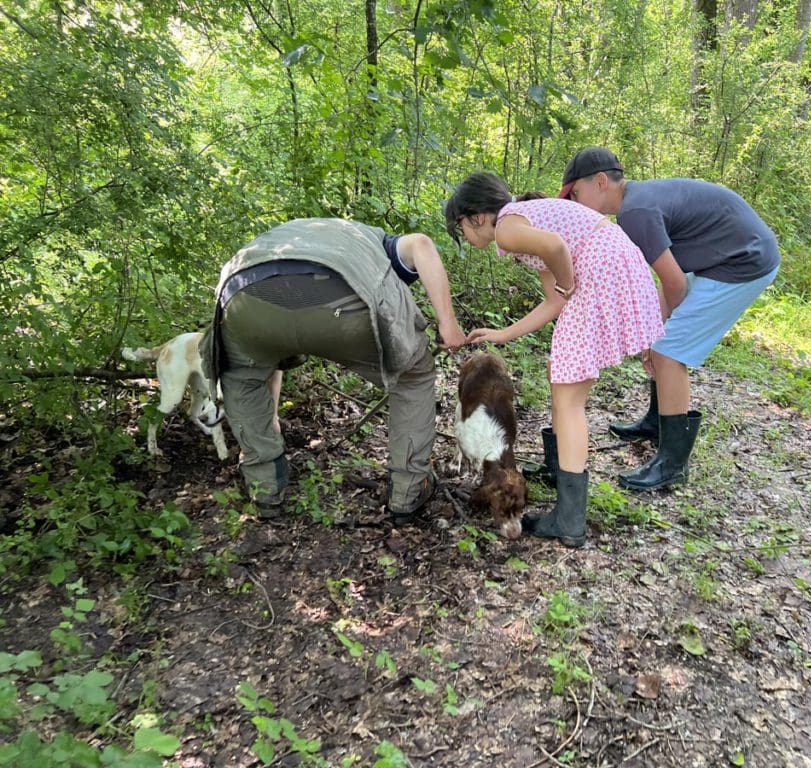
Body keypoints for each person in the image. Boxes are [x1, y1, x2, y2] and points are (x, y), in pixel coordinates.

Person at [444, 173, 663, 547]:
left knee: (568, 402)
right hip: (613, 265)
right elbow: (555, 300)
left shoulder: (508, 228)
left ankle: (569, 519)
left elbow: (560, 251)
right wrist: (503, 333)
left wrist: (568, 282)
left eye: (460, 228)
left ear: (477, 217)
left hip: (602, 270)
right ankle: (563, 484)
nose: (465, 237)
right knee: (561, 382)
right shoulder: (523, 223)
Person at [201, 218, 466, 521]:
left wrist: (269, 413)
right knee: (413, 375)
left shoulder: (285, 236)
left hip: (243, 294)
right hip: (340, 296)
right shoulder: (376, 240)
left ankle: (264, 487)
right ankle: (407, 490)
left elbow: (263, 363)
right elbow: (421, 244)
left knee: (242, 374)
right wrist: (448, 324)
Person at [559, 147, 781, 490]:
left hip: (745, 263)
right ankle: (657, 422)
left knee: (668, 352)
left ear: (601, 181)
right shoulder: (634, 205)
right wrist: (653, 332)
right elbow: (666, 280)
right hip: (728, 258)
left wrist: (656, 340)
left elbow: (675, 284)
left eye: (575, 193)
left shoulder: (636, 212)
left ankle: (672, 464)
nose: (573, 203)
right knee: (661, 344)